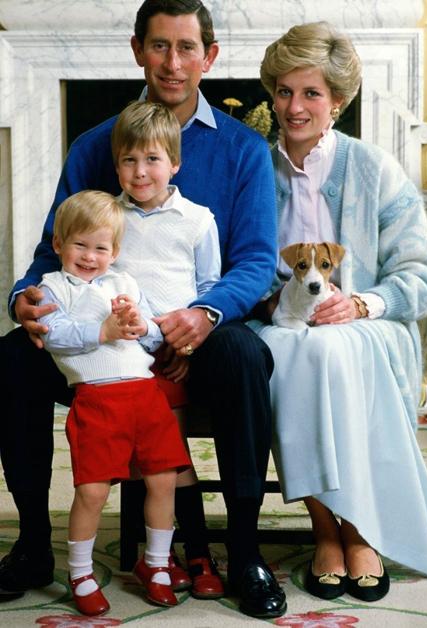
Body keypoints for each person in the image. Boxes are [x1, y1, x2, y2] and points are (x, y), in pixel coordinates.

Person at [0, 0, 286, 619]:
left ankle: (244, 548)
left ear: (209, 56)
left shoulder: (242, 150)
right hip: (107, 337)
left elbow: (256, 262)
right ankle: (31, 545)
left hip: (201, 332)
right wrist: (24, 297)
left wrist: (204, 316)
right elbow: (57, 245)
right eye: (160, 46)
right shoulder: (98, 144)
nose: (173, 63)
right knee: (12, 356)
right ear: (137, 50)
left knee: (243, 354)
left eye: (187, 48)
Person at [248, 21, 427, 603]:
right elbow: (239, 265)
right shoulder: (254, 169)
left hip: (370, 329)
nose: (295, 106)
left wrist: (360, 301)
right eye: (284, 91)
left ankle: (357, 527)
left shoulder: (375, 169)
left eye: (311, 93)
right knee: (298, 348)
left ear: (338, 100)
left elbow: (421, 277)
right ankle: (326, 528)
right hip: (284, 328)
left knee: (330, 347)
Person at [38, 190, 192, 615]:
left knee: (162, 480)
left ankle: (157, 564)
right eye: (79, 245)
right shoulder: (50, 288)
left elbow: (154, 338)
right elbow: (55, 337)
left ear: (115, 251)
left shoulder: (124, 284)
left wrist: (139, 324)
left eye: (101, 247)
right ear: (58, 245)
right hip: (97, 398)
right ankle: (81, 571)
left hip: (144, 393)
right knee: (91, 491)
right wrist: (103, 332)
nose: (90, 256)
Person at [112, 99, 224, 599]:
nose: (140, 172)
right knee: (144, 461)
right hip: (122, 357)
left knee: (171, 460)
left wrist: (188, 342)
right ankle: (156, 557)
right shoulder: (108, 216)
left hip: (174, 357)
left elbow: (210, 286)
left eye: (152, 159)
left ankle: (196, 550)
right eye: (129, 160)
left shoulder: (197, 220)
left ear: (174, 163)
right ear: (117, 164)